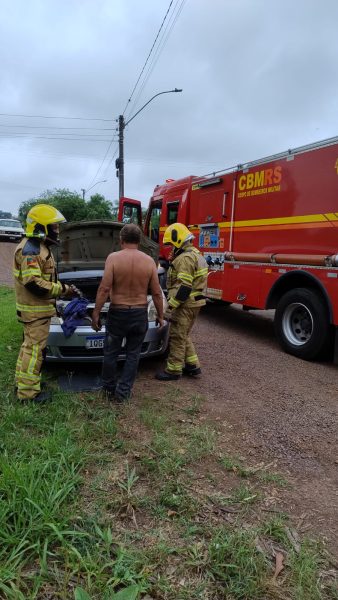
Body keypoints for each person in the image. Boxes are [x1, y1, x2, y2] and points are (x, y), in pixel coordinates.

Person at [91, 223, 164, 403]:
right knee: (133, 354)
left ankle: (108, 389)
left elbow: (104, 289)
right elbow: (156, 292)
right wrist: (160, 316)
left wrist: (96, 313)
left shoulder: (113, 258)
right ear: (140, 241)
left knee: (111, 352)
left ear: (121, 240)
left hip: (118, 313)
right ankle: (123, 392)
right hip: (139, 313)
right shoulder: (149, 261)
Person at [13, 204, 77, 403]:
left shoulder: (37, 247)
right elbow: (34, 283)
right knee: (34, 351)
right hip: (34, 311)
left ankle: (24, 383)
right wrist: (62, 289)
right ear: (41, 228)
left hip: (35, 311)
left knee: (28, 348)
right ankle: (28, 395)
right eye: (54, 227)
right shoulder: (31, 251)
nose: (57, 231)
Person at [155, 223, 208, 381]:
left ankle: (173, 370)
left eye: (171, 244)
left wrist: (170, 306)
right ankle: (193, 365)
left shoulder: (184, 258)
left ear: (178, 240)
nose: (170, 248)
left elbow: (184, 287)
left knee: (177, 336)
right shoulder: (195, 254)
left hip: (185, 304)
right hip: (194, 303)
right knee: (184, 334)